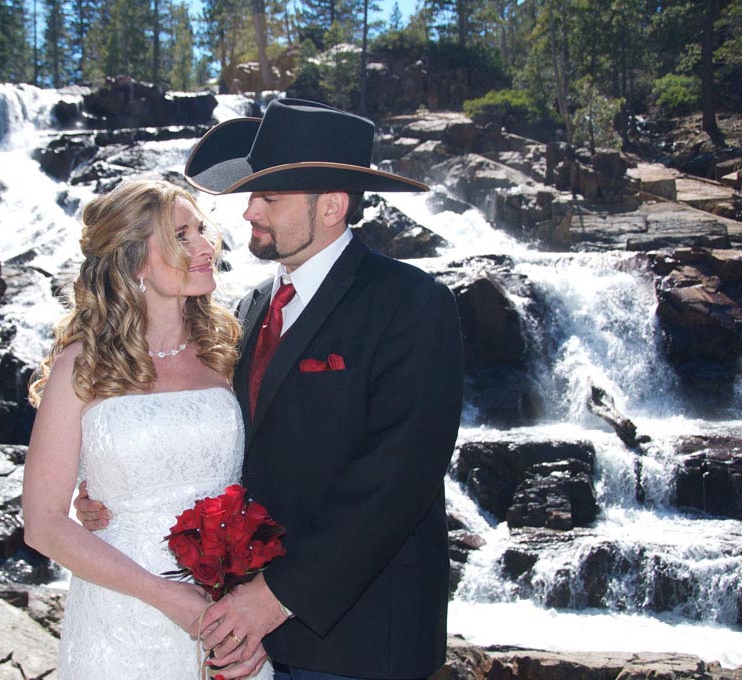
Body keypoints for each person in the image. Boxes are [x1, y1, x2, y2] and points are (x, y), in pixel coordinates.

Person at [77, 99, 465, 680]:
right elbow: (229, 446)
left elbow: (398, 476)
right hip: (241, 638)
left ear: (331, 206)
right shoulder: (251, 307)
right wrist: (117, 480)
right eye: (252, 194)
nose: (248, 211)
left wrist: (274, 596)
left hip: (356, 641)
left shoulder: (410, 304)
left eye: (270, 198)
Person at [22, 179, 273, 680]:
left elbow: (272, 473)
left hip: (230, 616)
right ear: (134, 259)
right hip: (119, 616)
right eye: (181, 236)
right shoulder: (83, 364)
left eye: (202, 230)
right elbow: (42, 523)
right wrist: (167, 596)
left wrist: (258, 600)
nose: (205, 246)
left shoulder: (230, 353)